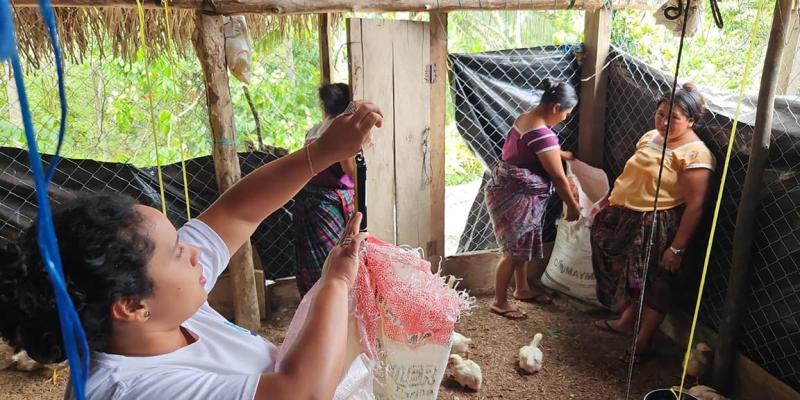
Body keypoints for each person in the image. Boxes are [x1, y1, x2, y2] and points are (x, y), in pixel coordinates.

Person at [0, 101, 383, 400]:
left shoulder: (165, 308)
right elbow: (300, 392)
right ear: (131, 306)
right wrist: (335, 281)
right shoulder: (130, 389)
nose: (195, 251)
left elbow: (238, 212)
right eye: (177, 251)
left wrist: (322, 153)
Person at [591, 83, 715, 363]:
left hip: (658, 224)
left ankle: (643, 340)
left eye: (674, 118)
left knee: (658, 283)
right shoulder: (651, 137)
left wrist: (677, 248)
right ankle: (626, 321)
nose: (664, 121)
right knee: (632, 278)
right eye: (660, 114)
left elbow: (696, 205)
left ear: (691, 121)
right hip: (626, 218)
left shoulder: (697, 154)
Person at [485, 78, 581, 320]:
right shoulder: (544, 135)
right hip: (517, 195)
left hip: (509, 189)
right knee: (514, 250)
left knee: (523, 242)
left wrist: (561, 153)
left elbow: (534, 147)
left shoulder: (526, 117)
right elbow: (558, 178)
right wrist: (572, 206)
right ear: (556, 108)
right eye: (566, 113)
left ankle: (522, 288)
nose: (566, 118)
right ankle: (499, 301)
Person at [294, 83, 358, 297]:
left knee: (314, 257)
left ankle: (313, 300)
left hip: (308, 201)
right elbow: (349, 169)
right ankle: (335, 301)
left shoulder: (314, 130)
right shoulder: (343, 130)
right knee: (336, 258)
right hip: (329, 204)